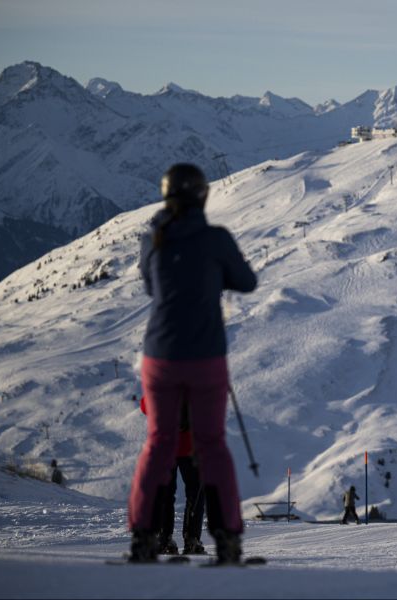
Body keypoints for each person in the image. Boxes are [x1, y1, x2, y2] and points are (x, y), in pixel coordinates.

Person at [128, 163, 257, 564]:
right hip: (205, 355)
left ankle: (144, 538)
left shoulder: (154, 238)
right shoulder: (215, 239)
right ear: (203, 196)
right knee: (212, 446)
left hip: (159, 355)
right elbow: (247, 281)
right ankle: (228, 539)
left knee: (157, 445)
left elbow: (152, 286)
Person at [140, 395, 206, 555]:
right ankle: (192, 540)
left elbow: (145, 407)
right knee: (195, 493)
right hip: (190, 446)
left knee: (165, 494)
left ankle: (164, 540)